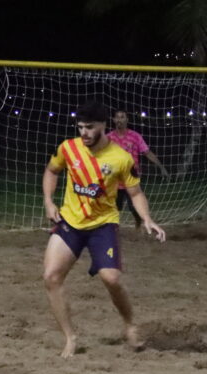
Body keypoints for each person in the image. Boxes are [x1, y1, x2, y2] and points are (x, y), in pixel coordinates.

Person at [43, 101, 166, 358]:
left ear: (102, 126)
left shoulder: (121, 158)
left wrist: (147, 218)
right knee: (51, 277)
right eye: (80, 127)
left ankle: (130, 325)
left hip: (102, 225)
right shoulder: (68, 148)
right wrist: (48, 200)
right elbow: (52, 171)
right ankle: (70, 337)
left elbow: (135, 192)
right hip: (71, 223)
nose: (84, 133)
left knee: (111, 279)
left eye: (89, 127)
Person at [107, 109, 169, 228]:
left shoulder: (135, 136)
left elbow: (147, 152)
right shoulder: (108, 138)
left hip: (132, 178)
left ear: (127, 120)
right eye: (117, 117)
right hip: (114, 179)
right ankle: (112, 229)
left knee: (134, 206)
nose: (119, 119)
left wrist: (161, 167)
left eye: (122, 117)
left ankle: (138, 222)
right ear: (114, 120)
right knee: (114, 207)